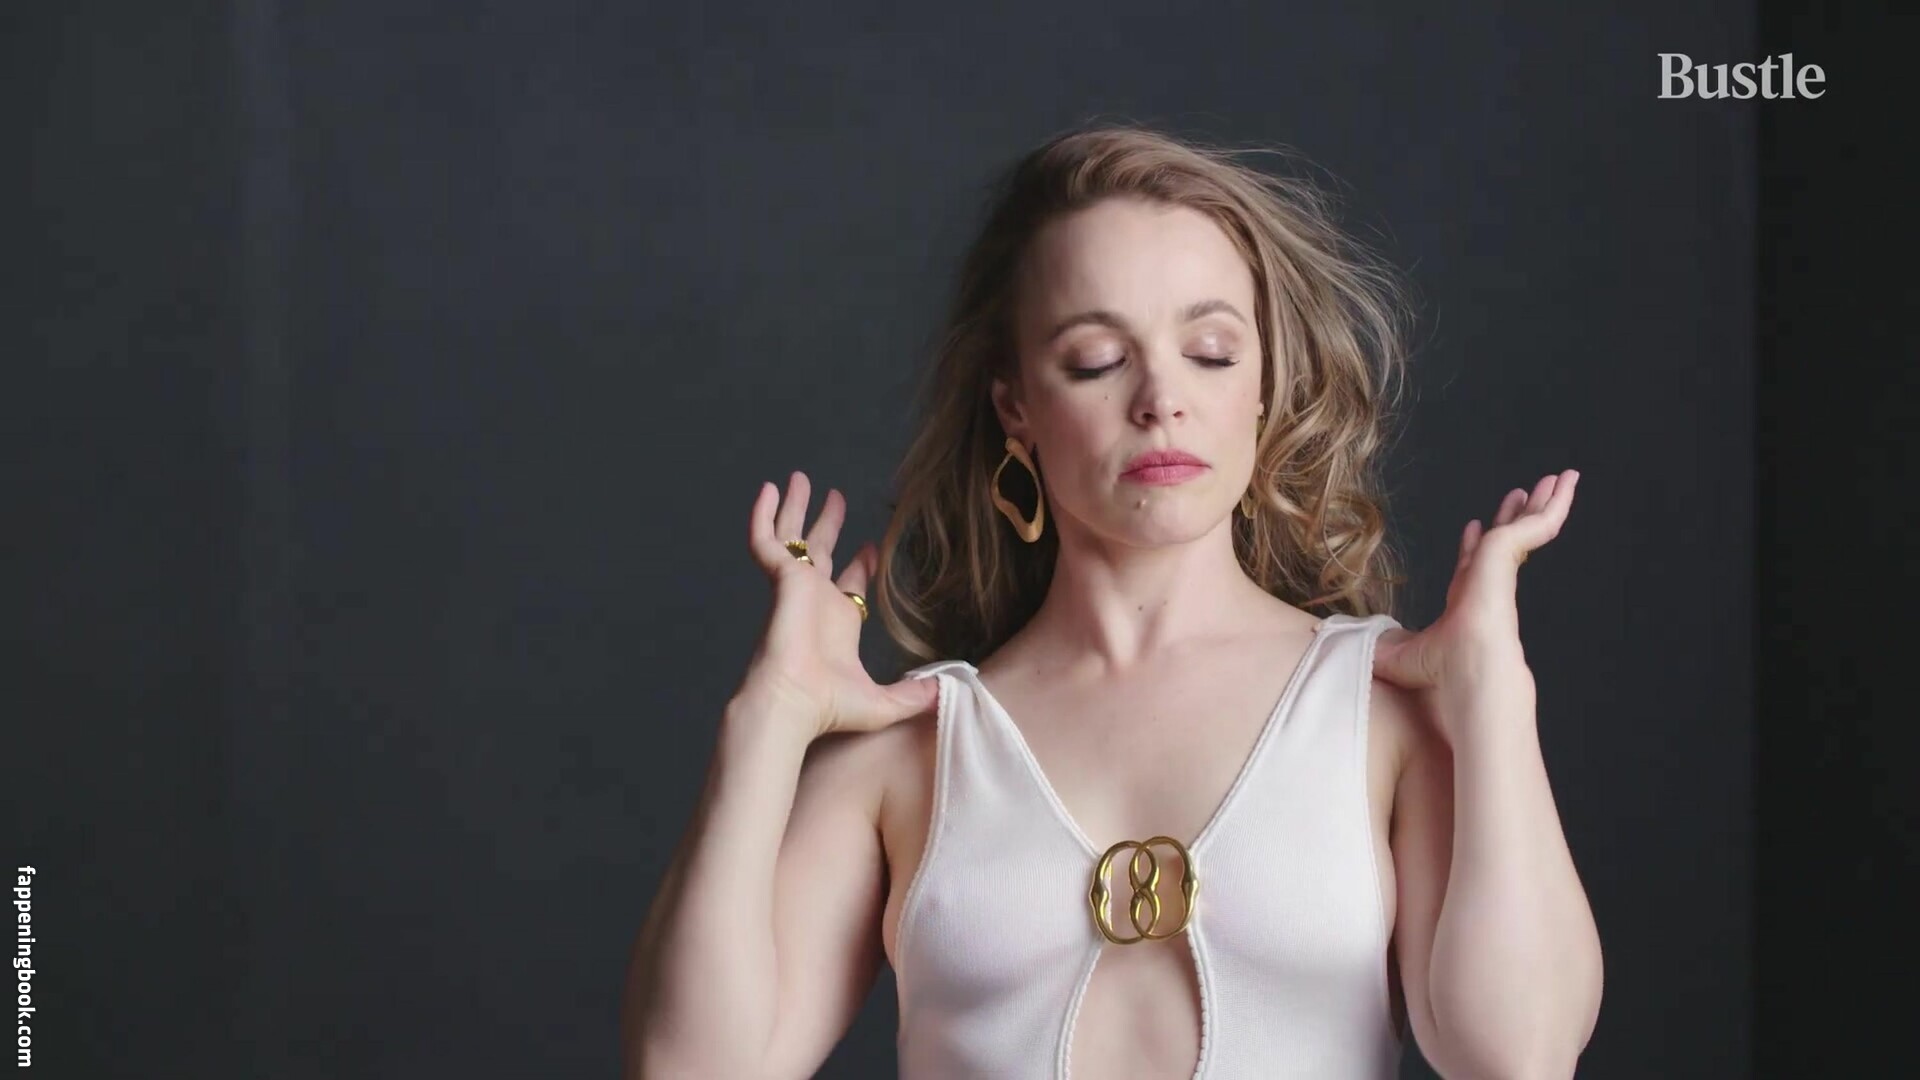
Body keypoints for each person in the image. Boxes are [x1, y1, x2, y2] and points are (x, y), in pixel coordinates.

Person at [621, 123, 1603, 1079]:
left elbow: (1519, 1058)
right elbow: (686, 1069)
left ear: (1264, 384)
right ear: (1015, 403)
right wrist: (771, 718)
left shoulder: (1383, 715)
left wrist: (1493, 697)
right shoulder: (907, 748)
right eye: (1096, 359)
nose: (1161, 398)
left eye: (1211, 351)